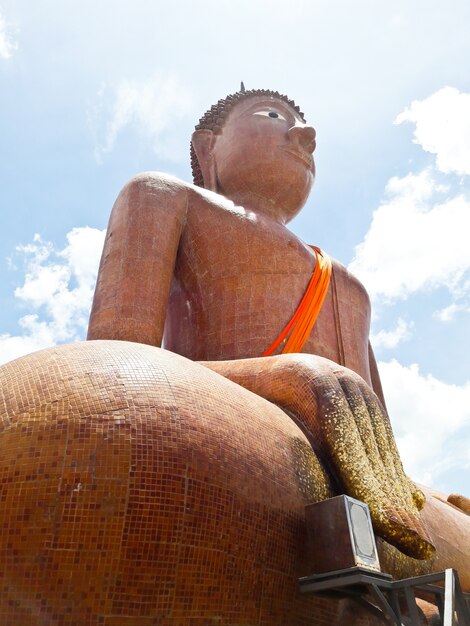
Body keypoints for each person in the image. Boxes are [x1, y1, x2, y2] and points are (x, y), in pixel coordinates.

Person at [88, 86, 442, 561]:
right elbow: (110, 367)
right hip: (218, 432)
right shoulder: (165, 198)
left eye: (303, 123)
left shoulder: (347, 286)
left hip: (362, 492)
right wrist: (291, 377)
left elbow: (379, 446)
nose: (305, 134)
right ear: (206, 148)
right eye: (273, 115)